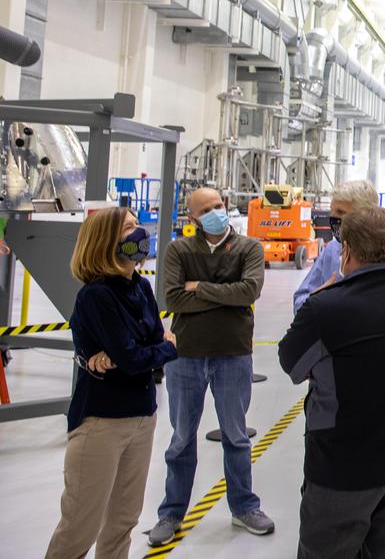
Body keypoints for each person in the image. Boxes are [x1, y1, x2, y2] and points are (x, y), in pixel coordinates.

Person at [279, 207, 385, 559]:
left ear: (346, 250)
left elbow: (292, 364)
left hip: (343, 469)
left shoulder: (324, 308)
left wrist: (319, 296)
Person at [45, 207, 177, 559]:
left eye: (137, 225)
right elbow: (139, 356)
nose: (139, 233)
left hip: (142, 417)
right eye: (128, 228)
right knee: (79, 527)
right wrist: (158, 347)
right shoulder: (96, 296)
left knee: (123, 521)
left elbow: (148, 350)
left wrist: (153, 349)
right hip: (101, 423)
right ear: (105, 241)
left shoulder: (141, 286)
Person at [147, 188, 274, 546]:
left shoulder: (249, 247)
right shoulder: (179, 250)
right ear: (193, 219)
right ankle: (171, 513)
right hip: (186, 356)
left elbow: (248, 292)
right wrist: (223, 296)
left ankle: (244, 507)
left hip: (233, 355)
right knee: (181, 439)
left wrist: (199, 287)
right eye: (207, 209)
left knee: (236, 437)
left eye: (219, 205)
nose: (217, 212)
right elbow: (173, 298)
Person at [292, 179, 385, 313]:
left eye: (340, 212)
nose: (333, 218)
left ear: (365, 215)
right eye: (332, 211)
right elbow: (300, 302)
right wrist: (320, 296)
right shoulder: (331, 251)